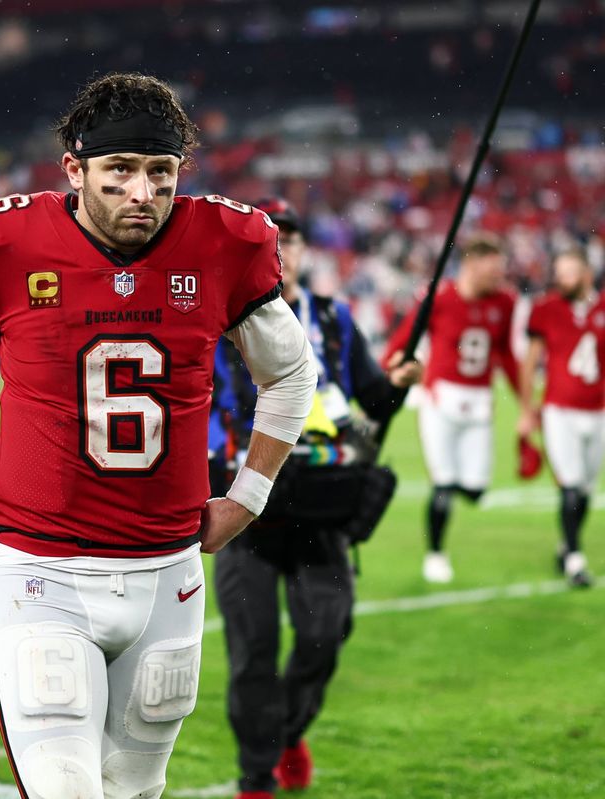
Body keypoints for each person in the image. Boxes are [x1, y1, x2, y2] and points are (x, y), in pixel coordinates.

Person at [0, 73, 316, 799]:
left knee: (134, 791)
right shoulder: (7, 239)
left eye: (160, 171)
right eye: (119, 170)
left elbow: (291, 374)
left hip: (168, 576)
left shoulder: (224, 240)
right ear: (75, 169)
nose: (142, 191)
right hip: (43, 571)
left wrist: (248, 496)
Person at [211, 199, 422, 799]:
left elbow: (374, 403)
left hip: (323, 502)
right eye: (272, 239)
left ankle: (287, 731)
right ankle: (256, 774)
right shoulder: (214, 316)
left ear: (304, 250)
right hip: (243, 507)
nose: (284, 249)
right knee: (252, 653)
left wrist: (396, 384)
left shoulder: (332, 317)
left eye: (293, 237)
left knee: (323, 637)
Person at [384, 234, 519, 584]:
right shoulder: (439, 298)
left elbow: (505, 351)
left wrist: (526, 403)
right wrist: (395, 363)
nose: (498, 278)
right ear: (471, 265)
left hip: (479, 403)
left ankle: (453, 489)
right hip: (441, 398)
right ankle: (436, 554)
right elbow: (401, 342)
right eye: (492, 270)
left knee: (474, 490)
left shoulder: (504, 301)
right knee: (443, 485)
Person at [517, 248, 605, 587]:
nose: (561, 279)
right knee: (569, 486)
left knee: (584, 491)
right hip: (560, 410)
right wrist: (527, 410)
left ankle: (566, 546)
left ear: (586, 275)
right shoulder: (547, 309)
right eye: (559, 272)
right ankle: (575, 560)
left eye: (569, 272)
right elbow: (530, 362)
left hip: (597, 411)